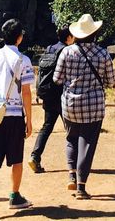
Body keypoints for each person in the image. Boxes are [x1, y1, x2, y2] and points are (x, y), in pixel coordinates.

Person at [53, 13, 114, 199]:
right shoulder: (103, 54)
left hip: (70, 105)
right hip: (93, 106)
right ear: (94, 34)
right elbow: (111, 82)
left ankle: (71, 175)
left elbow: (57, 79)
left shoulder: (66, 52)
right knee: (87, 143)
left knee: (71, 138)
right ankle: (81, 187)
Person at [0, 18, 35, 219]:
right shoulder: (24, 60)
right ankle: (14, 196)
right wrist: (29, 120)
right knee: (16, 158)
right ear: (19, 38)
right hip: (13, 115)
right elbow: (26, 92)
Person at [28, 23, 74, 173]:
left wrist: (38, 91)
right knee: (72, 129)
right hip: (62, 95)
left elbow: (41, 72)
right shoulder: (67, 51)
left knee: (47, 126)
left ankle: (35, 156)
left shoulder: (49, 49)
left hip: (48, 94)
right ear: (69, 37)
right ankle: (76, 163)